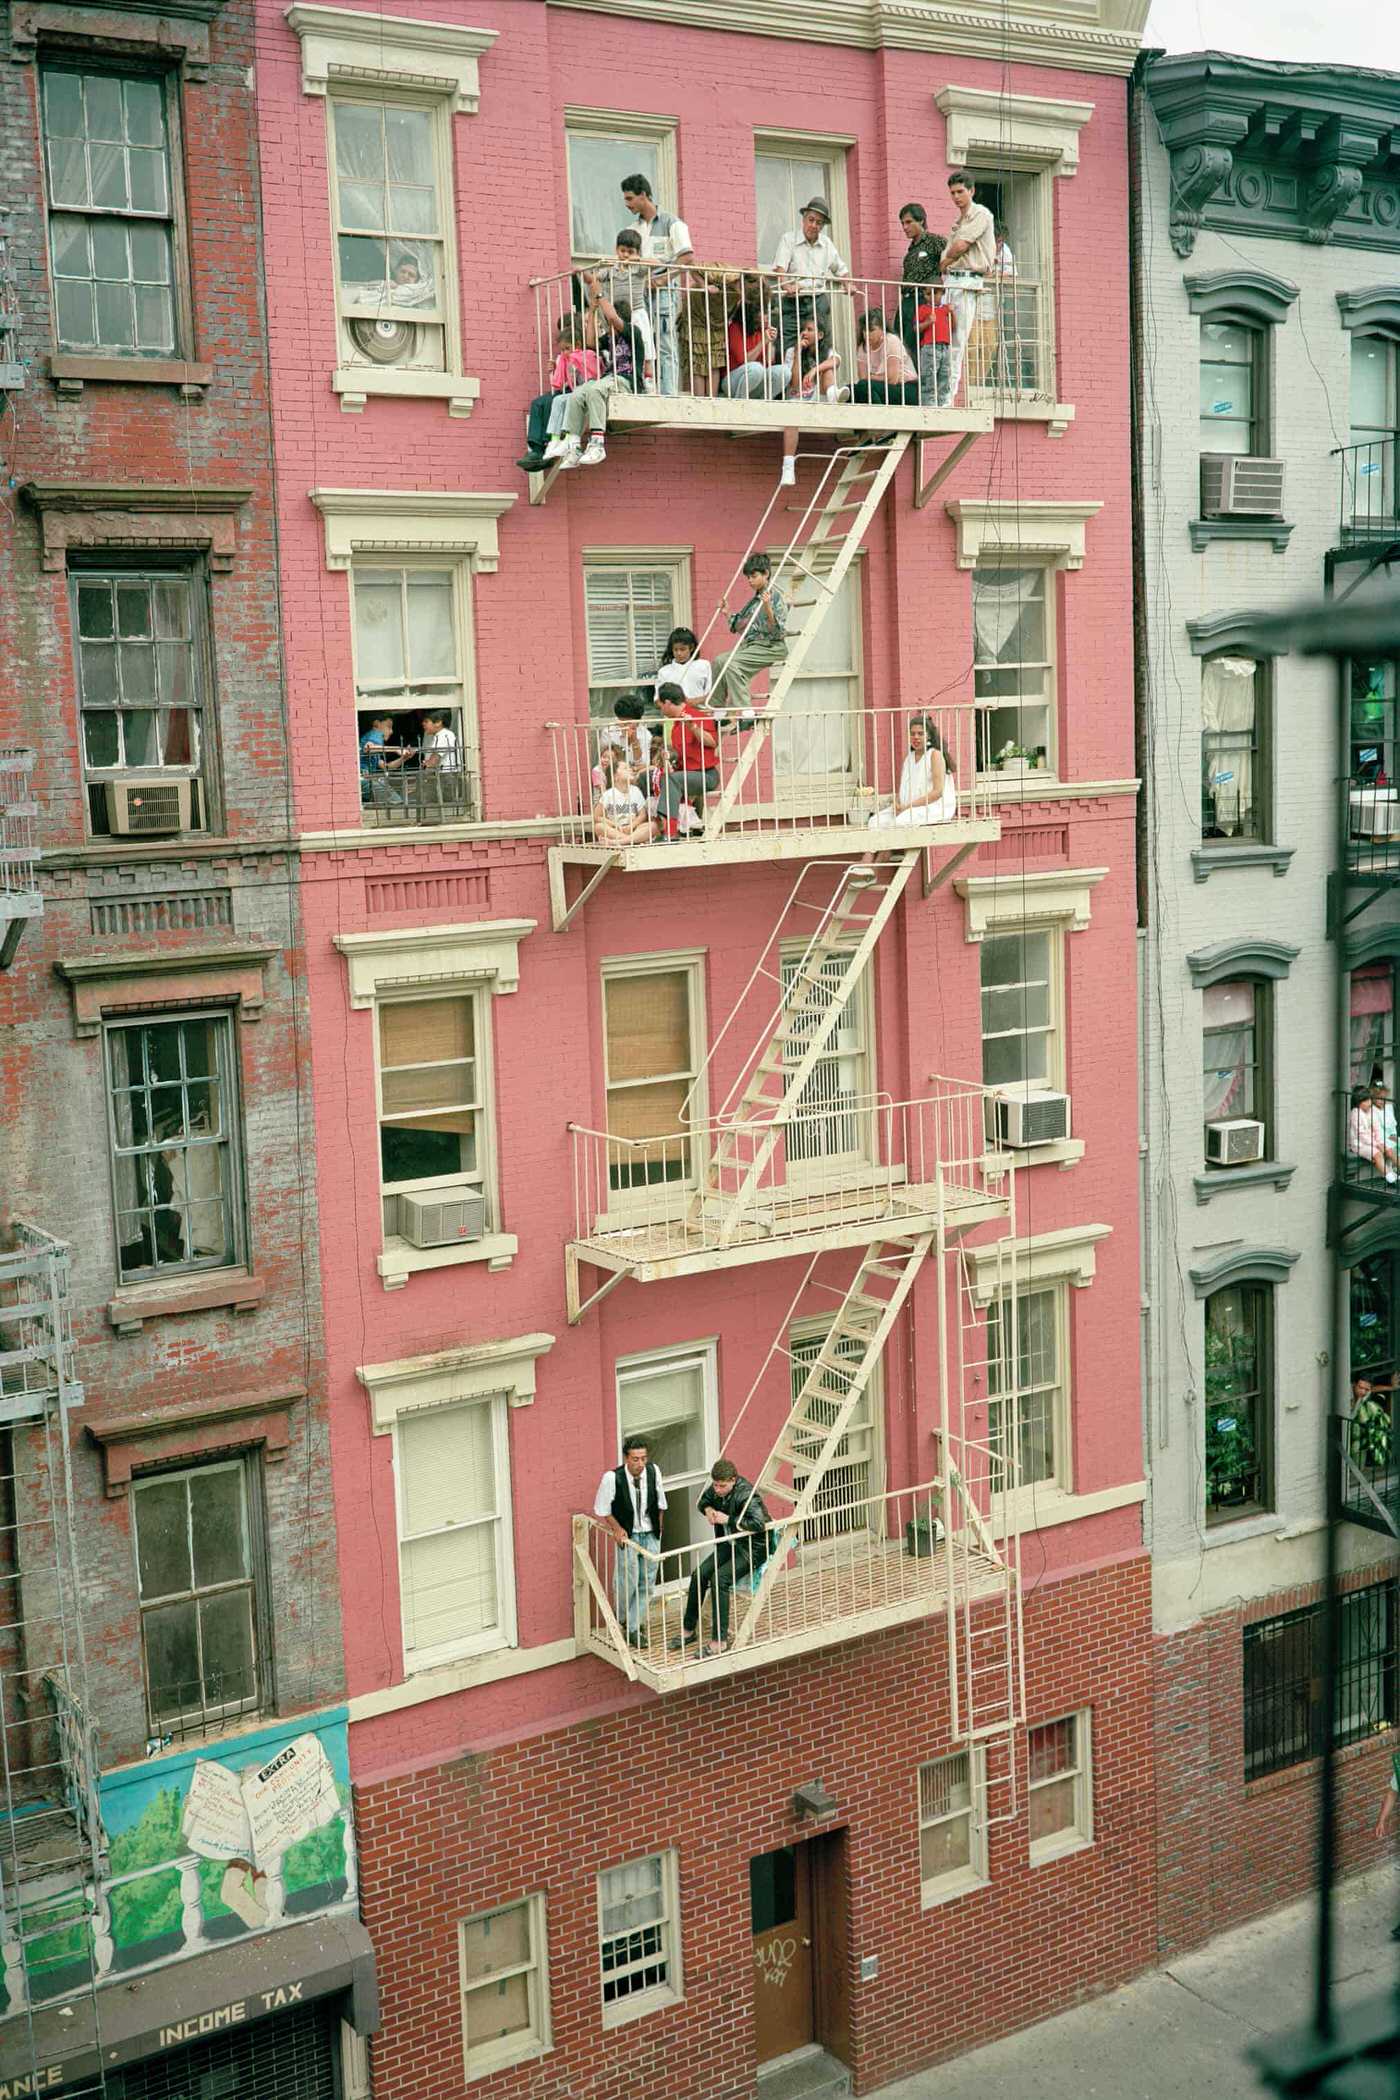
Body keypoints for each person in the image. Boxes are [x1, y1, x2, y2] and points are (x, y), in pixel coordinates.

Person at [670, 1458, 773, 1655]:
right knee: (699, 1574)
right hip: (729, 1543)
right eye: (715, 1485)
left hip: (751, 1548)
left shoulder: (746, 1495)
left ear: (733, 1480)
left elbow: (759, 1524)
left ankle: (719, 1641)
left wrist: (730, 1520)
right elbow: (703, 1501)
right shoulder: (717, 1489)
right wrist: (708, 1510)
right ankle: (688, 1629)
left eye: (722, 1486)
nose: (717, 1490)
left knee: (720, 1579)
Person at [556, 281, 655, 469]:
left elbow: (611, 316)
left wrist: (599, 295)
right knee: (577, 394)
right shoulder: (610, 338)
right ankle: (574, 446)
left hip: (627, 380)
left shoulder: (632, 332)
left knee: (596, 390)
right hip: (609, 379)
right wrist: (592, 311)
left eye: (609, 322)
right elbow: (591, 343)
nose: (607, 324)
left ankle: (597, 444)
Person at [620, 173, 693, 397]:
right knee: (643, 340)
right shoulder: (635, 228)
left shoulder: (672, 223)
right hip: (640, 292)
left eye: (630, 198)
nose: (627, 204)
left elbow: (687, 257)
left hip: (663, 290)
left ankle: (669, 393)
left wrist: (663, 279)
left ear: (644, 195)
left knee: (665, 341)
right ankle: (646, 389)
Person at [594, 1435, 667, 1649]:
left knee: (647, 1581)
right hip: (630, 1535)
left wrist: (658, 1528)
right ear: (626, 1458)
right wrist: (617, 1529)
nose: (640, 1464)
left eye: (643, 1458)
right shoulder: (612, 1478)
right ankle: (625, 1617)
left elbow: (661, 1503)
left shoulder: (654, 1471)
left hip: (650, 1533)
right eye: (635, 1459)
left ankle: (634, 1627)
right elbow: (602, 1509)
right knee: (628, 1580)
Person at [517, 313, 602, 472]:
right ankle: (536, 449)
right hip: (567, 388)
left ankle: (549, 443)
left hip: (581, 389)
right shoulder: (564, 353)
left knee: (553, 402)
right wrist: (554, 369)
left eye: (566, 329)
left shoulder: (586, 348)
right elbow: (558, 381)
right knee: (538, 403)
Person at [940, 169, 995, 404]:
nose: (956, 197)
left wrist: (944, 262)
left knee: (957, 341)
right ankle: (941, 393)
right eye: (952, 193)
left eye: (960, 191)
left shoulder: (981, 214)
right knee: (943, 339)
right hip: (953, 281)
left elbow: (961, 246)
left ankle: (948, 398)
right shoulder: (959, 220)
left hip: (967, 280)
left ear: (971, 191)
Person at [771, 196, 848, 358]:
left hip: (817, 301)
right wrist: (787, 287)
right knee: (786, 344)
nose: (814, 225)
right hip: (793, 302)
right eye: (811, 220)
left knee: (820, 345)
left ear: (822, 226)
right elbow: (780, 269)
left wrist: (848, 284)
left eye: (819, 223)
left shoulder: (827, 244)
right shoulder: (788, 239)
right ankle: (787, 381)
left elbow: (840, 269)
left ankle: (819, 381)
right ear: (804, 219)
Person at [714, 553, 787, 709]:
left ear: (766, 574)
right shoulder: (755, 601)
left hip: (770, 646)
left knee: (732, 664)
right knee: (720, 660)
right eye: (748, 577)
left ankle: (746, 712)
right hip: (752, 646)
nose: (750, 580)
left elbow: (777, 633)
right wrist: (727, 612)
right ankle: (716, 708)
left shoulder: (775, 598)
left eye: (753, 576)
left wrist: (767, 607)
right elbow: (742, 626)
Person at [868, 713, 957, 828]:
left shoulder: (935, 755)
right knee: (875, 822)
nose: (916, 737)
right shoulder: (909, 758)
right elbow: (903, 788)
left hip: (933, 807)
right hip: (908, 808)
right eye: (912, 734)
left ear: (928, 736)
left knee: (900, 823)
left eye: (920, 734)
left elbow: (937, 792)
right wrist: (897, 804)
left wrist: (908, 807)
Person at [654, 682, 719, 838]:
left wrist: (693, 727)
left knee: (672, 780)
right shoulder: (676, 723)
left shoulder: (697, 716)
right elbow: (682, 752)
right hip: (686, 773)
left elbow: (712, 742)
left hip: (706, 775)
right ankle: (651, 829)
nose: (661, 710)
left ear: (668, 703)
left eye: (661, 705)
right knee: (650, 777)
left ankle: (670, 832)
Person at [721, 277, 788, 400]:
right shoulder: (735, 328)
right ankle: (740, 403)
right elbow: (744, 361)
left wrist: (770, 342)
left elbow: (768, 362)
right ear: (752, 313)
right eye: (763, 313)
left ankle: (764, 403)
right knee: (756, 369)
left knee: (784, 372)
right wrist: (762, 343)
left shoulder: (762, 331)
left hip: (754, 379)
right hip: (733, 380)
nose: (767, 317)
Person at [896, 203, 945, 364]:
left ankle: (918, 387)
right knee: (900, 343)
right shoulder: (911, 249)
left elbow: (954, 256)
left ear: (921, 221)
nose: (905, 227)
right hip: (906, 301)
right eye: (903, 223)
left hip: (922, 301)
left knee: (916, 347)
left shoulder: (934, 241)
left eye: (909, 222)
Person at [849, 309, 920, 405]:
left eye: (871, 330)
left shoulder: (891, 340)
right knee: (852, 390)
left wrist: (871, 376)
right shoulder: (863, 347)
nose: (867, 334)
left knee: (863, 387)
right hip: (879, 388)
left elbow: (892, 380)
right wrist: (872, 378)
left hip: (906, 388)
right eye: (864, 330)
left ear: (882, 329)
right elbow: (863, 378)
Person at [592, 759, 654, 847]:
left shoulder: (636, 791)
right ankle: (633, 840)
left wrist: (632, 826)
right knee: (599, 827)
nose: (630, 770)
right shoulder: (608, 794)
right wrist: (615, 825)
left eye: (630, 768)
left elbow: (642, 815)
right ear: (615, 776)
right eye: (625, 768)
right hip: (617, 830)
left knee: (652, 825)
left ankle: (620, 842)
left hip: (634, 829)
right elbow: (597, 816)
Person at [1347, 1085, 1399, 1182]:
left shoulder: (1371, 1112)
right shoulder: (1356, 1114)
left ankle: (1395, 1171)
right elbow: (1361, 1135)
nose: (1369, 1103)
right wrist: (1376, 1145)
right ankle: (1390, 1177)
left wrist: (1380, 1143)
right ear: (1358, 1102)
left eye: (1370, 1100)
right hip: (1360, 1144)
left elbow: (1377, 1129)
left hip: (1373, 1142)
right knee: (1377, 1154)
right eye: (1366, 1101)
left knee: (1389, 1151)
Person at [654, 627, 712, 709]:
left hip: (699, 714)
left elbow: (712, 694)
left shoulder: (704, 665)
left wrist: (693, 702)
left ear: (691, 648)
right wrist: (674, 706)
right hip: (673, 716)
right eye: (675, 650)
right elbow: (657, 701)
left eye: (682, 649)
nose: (679, 653)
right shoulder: (664, 671)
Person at [359, 714, 409, 807]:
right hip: (363, 780)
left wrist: (404, 758)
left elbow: (387, 767)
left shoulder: (373, 743)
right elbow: (369, 748)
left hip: (364, 780)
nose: (391, 731)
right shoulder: (376, 733)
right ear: (377, 724)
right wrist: (396, 749)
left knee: (390, 801)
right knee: (395, 801)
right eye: (389, 727)